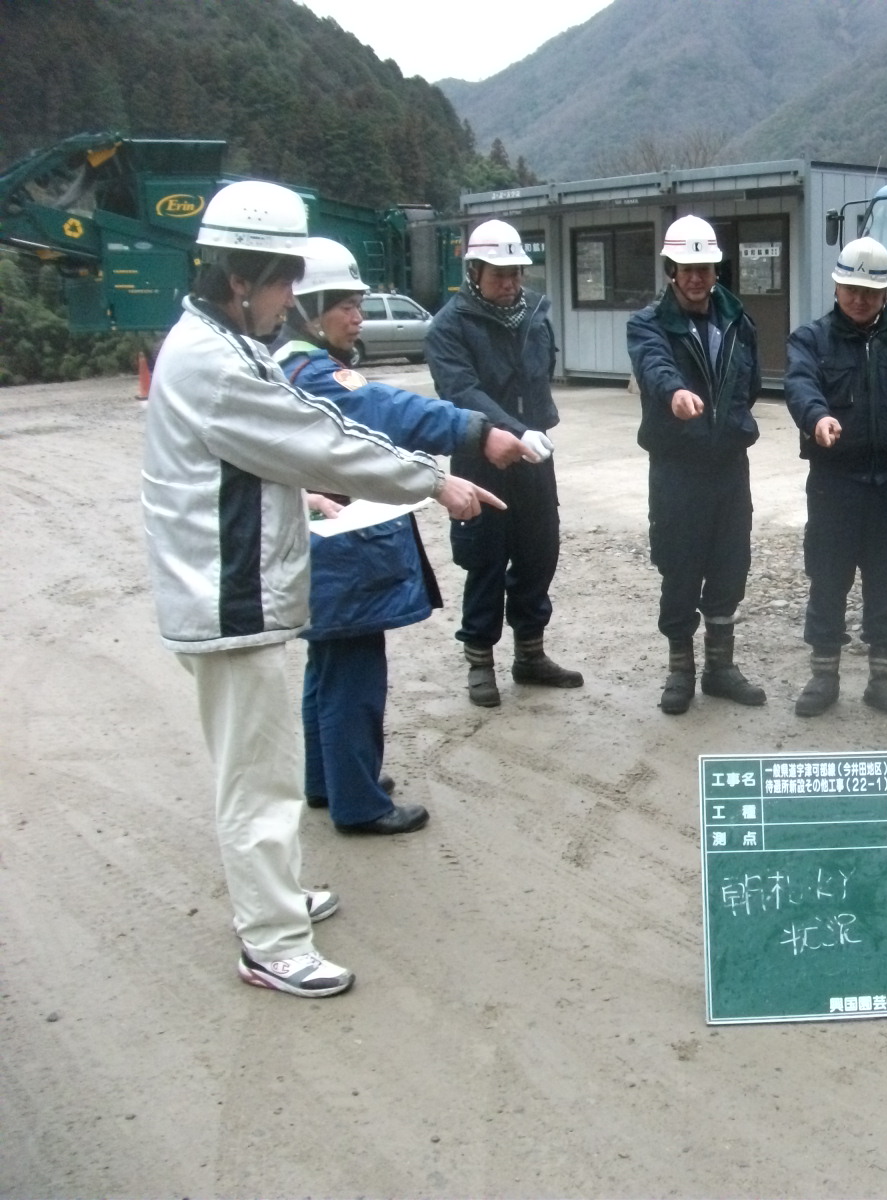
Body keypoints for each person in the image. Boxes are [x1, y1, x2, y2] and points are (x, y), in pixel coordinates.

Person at [141, 181, 502, 997]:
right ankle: (272, 941)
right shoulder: (217, 363)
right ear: (243, 278)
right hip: (228, 605)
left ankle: (273, 897)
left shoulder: (215, 345)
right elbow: (319, 439)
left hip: (234, 596)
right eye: (285, 284)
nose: (291, 303)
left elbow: (279, 450)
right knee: (257, 782)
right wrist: (434, 483)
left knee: (264, 767)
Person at [275, 238, 534, 834]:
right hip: (341, 544)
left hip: (316, 538)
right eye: (346, 305)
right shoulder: (317, 373)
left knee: (329, 661)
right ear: (310, 307)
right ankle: (360, 803)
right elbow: (390, 412)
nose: (358, 316)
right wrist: (474, 429)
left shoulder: (283, 363)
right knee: (354, 668)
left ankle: (331, 779)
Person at [785, 237, 887, 721]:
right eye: (851, 288)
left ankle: (883, 680)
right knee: (828, 578)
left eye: (870, 292)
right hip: (835, 482)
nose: (860, 299)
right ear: (836, 286)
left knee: (886, 581)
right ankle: (824, 675)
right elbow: (800, 384)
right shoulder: (811, 339)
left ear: (886, 294)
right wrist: (817, 418)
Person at [426, 219, 582, 707]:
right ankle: (479, 660)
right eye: (499, 274)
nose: (511, 283)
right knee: (486, 558)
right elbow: (461, 390)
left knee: (540, 551)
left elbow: (540, 377)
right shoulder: (449, 326)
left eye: (516, 273)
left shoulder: (534, 315)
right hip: (479, 458)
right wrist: (512, 428)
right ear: (473, 271)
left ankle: (530, 654)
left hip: (534, 455)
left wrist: (532, 429)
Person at [626, 215, 766, 714]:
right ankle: (680, 670)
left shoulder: (738, 319)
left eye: (704, 267)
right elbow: (654, 366)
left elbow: (749, 387)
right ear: (670, 270)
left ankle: (721, 668)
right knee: (680, 565)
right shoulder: (647, 323)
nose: (695, 277)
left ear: (716, 270)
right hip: (677, 466)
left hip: (729, 464)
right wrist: (676, 393)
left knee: (730, 564)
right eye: (686, 268)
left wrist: (724, 423)